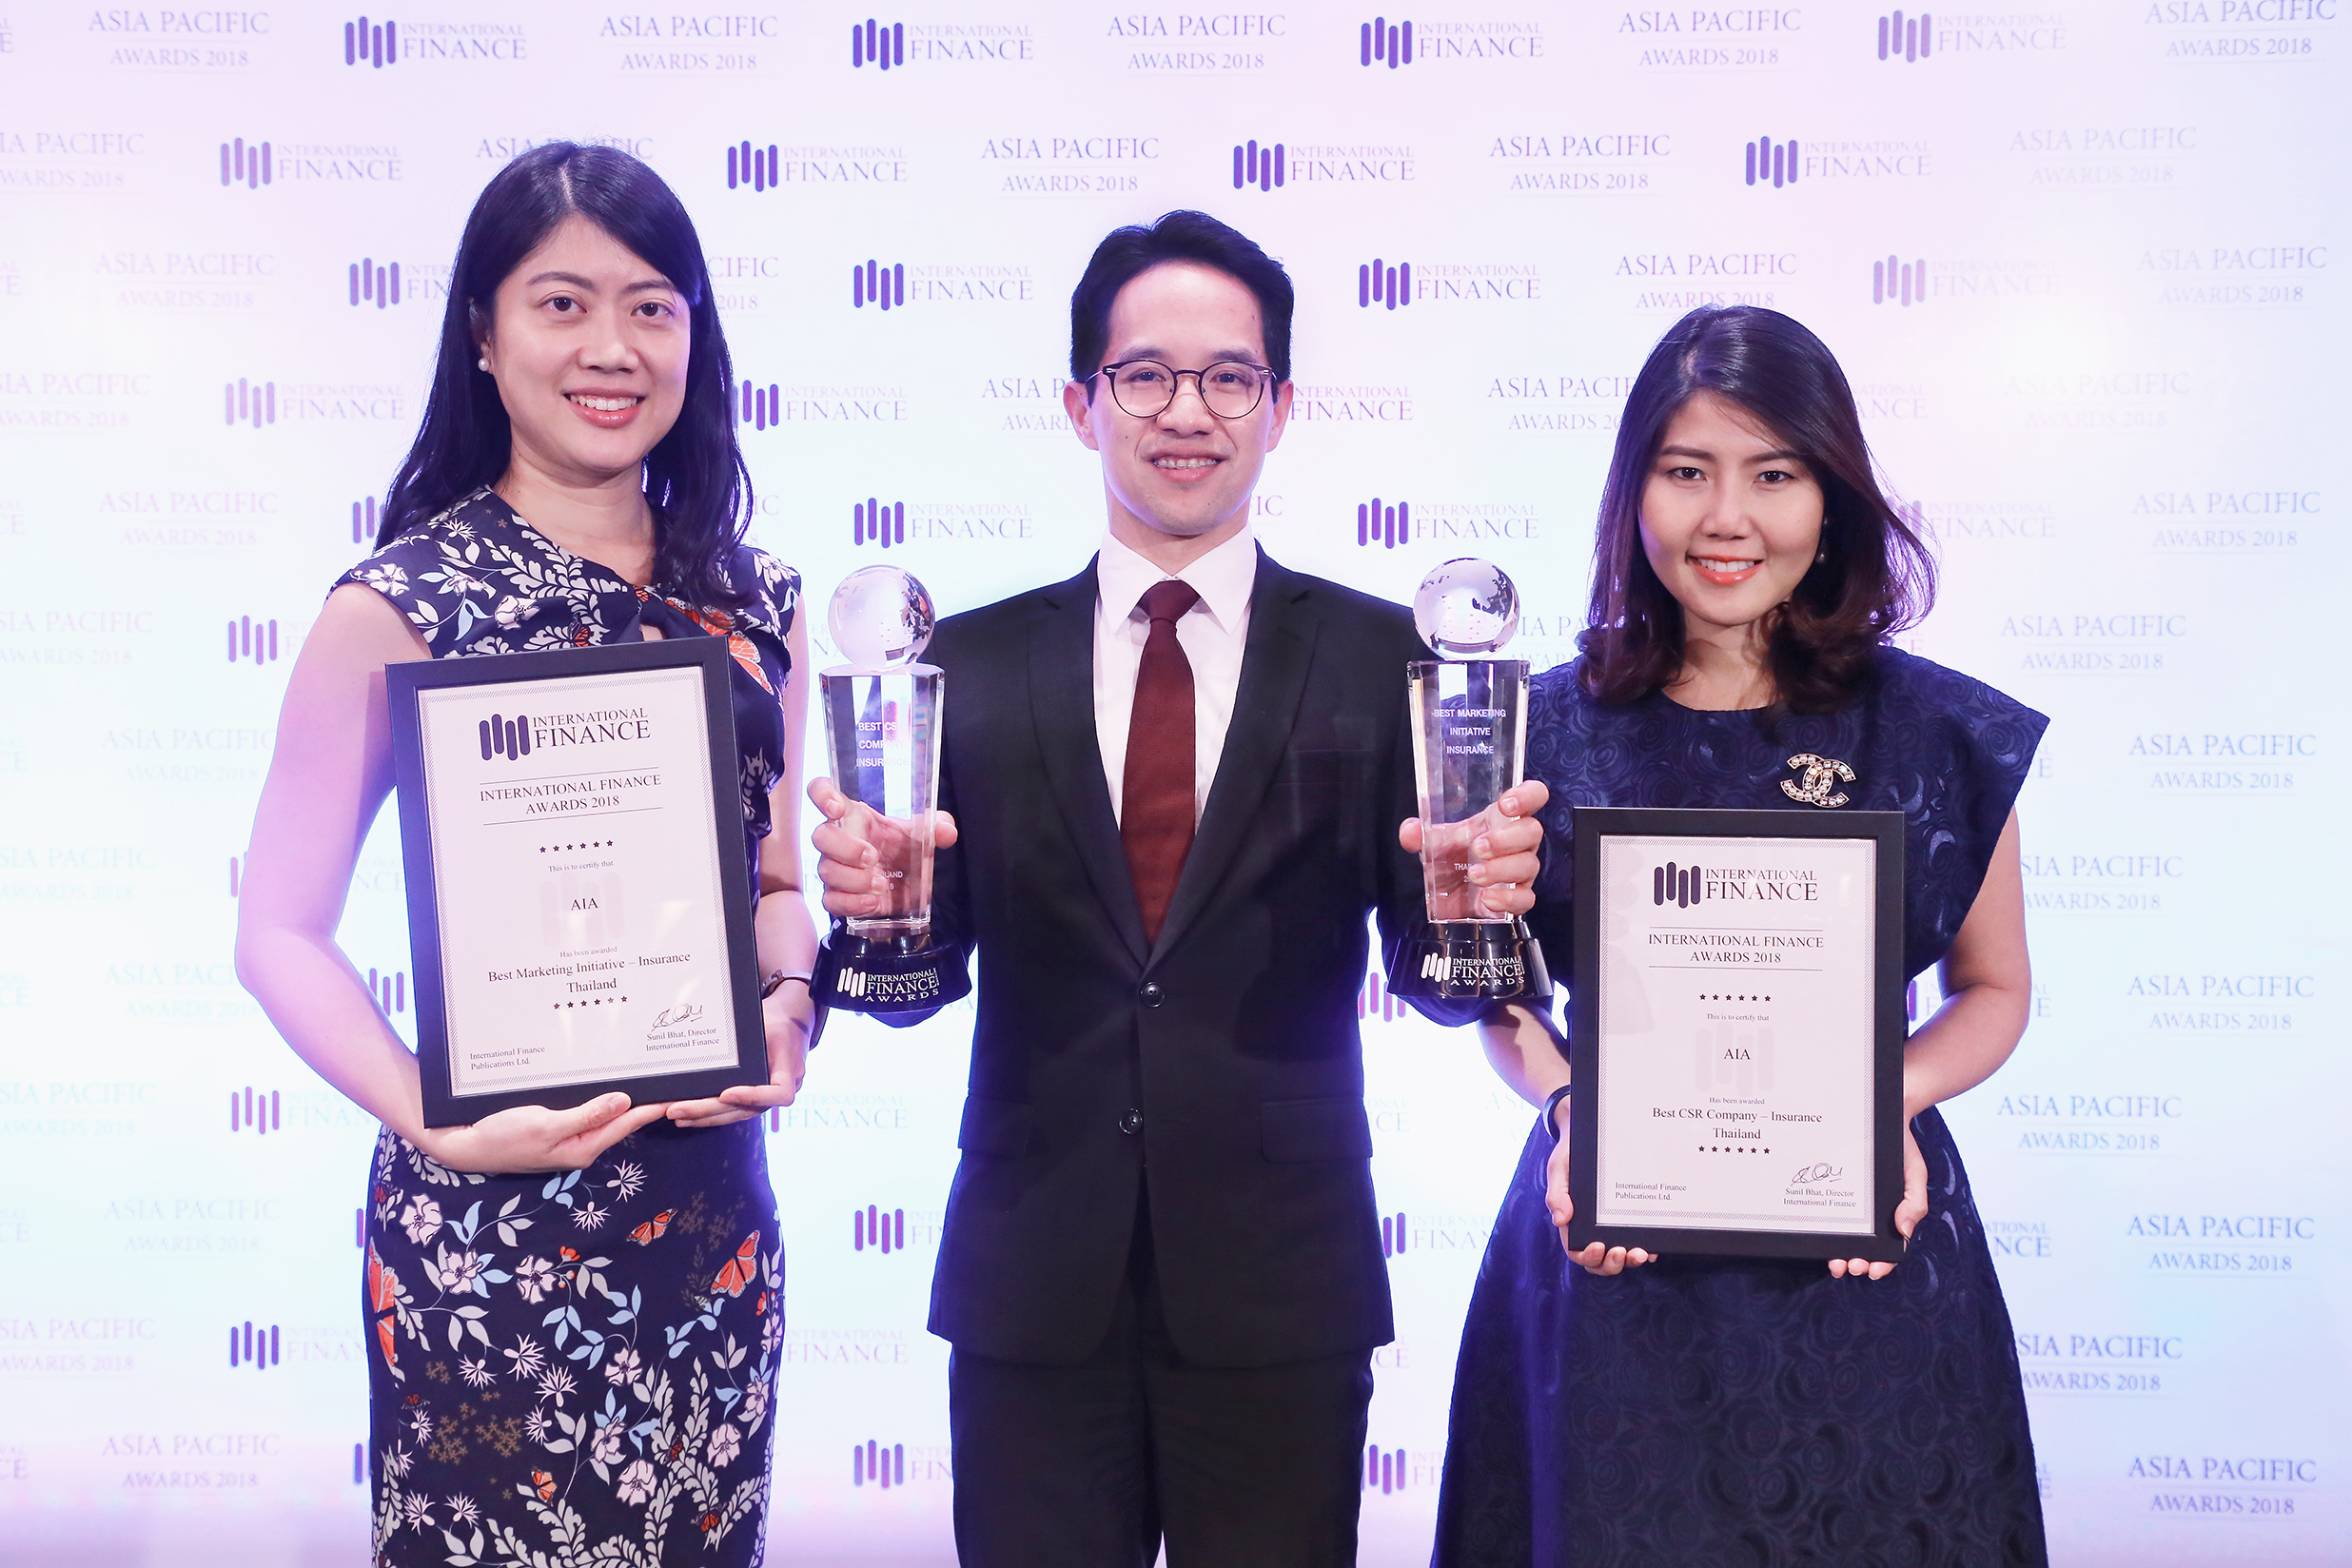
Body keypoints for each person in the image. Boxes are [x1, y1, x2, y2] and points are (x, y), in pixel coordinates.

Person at [808, 210, 1543, 1567]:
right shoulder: (965, 665)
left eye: (1229, 378)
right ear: (1080, 405)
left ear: (1282, 408)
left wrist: (1477, 907)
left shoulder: (1385, 661)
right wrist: (870, 910)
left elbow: (1447, 991)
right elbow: (912, 989)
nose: (1186, 411)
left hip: (1282, 1280)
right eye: (1144, 375)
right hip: (1033, 1279)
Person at [234, 144, 813, 1564]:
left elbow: (776, 885)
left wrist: (792, 1006)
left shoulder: (758, 603)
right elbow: (276, 932)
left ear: (693, 336)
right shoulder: (394, 607)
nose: (612, 348)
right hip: (483, 1239)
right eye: (563, 304)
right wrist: (429, 1116)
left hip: (707, 1228)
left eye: (652, 307)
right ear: (484, 339)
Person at [1432, 305, 2049, 1566]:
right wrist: (1573, 1113)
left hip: (1866, 1260)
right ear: (1633, 493)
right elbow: (1499, 998)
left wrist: (1881, 1106)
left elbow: (1993, 991)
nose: (1728, 517)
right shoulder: (1530, 729)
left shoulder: (1937, 733)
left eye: (1774, 475)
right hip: (1611, 1261)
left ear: (1832, 498)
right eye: (1686, 471)